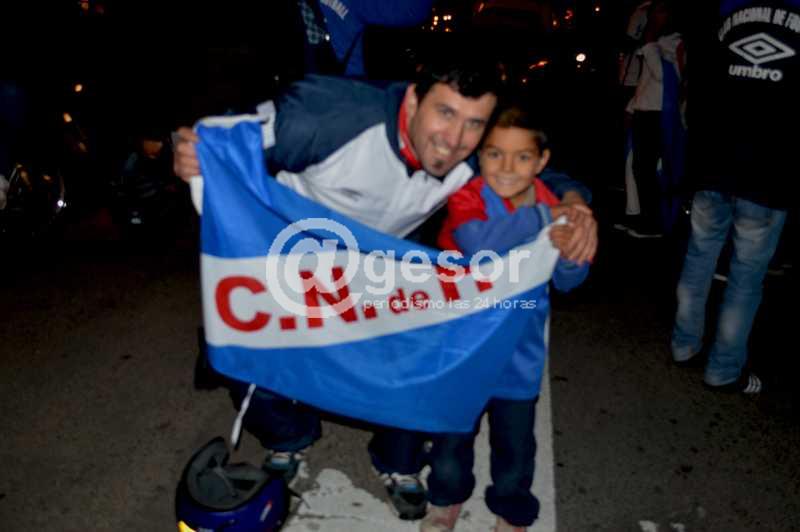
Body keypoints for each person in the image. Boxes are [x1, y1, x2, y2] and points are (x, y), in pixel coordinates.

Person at [173, 60, 598, 519]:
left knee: (418, 358)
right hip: (295, 256)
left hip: (383, 268)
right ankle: (288, 437)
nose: (454, 139)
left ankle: (397, 461)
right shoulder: (325, 115)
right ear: (413, 101)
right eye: (445, 113)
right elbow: (221, 134)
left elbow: (534, 168)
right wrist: (185, 150)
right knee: (243, 344)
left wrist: (576, 204)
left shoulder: (472, 152)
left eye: (474, 123)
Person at [421, 104, 590, 532]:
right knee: (452, 435)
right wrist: (544, 219)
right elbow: (478, 244)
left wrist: (570, 252)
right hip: (461, 350)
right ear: (480, 156)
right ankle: (447, 496)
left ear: (542, 161)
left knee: (515, 445)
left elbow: (568, 281)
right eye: (495, 154)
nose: (508, 167)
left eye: (522, 156)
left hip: (519, 354)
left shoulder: (554, 204)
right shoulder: (467, 198)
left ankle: (511, 507)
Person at [670, 0, 798, 393]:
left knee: (699, 258)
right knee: (746, 276)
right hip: (768, 170)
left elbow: (696, 82)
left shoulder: (723, 7)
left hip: (714, 161)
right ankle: (723, 369)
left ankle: (684, 345)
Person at [624, 0, 685, 238]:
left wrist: (650, 44)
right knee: (639, 168)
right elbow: (645, 82)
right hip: (644, 111)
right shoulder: (657, 41)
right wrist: (632, 107)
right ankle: (642, 216)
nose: (653, 17)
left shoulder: (677, 43)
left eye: (660, 11)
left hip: (661, 114)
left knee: (652, 170)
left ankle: (656, 222)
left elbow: (665, 76)